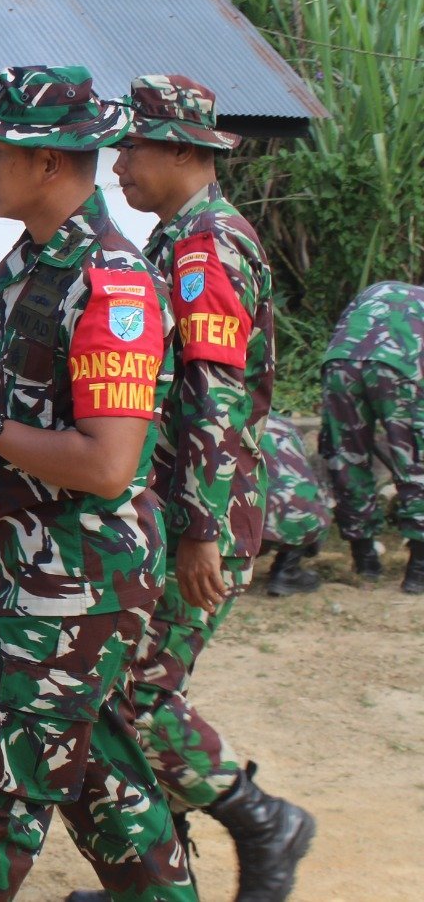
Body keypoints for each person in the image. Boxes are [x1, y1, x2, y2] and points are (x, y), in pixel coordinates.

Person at [0, 66, 195, 901]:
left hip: (78, 583)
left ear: (49, 163)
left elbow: (110, 465)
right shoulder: (28, 267)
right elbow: (16, 400)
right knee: (106, 794)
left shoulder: (111, 285)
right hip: (36, 572)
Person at [99, 74, 313, 900]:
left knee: (137, 699)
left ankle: (264, 821)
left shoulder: (205, 247)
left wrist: (200, 530)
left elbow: (215, 397)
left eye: (134, 147)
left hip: (198, 517)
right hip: (173, 511)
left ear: (184, 150)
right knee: (138, 691)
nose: (119, 165)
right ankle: (160, 880)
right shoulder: (173, 241)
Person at [320, 281, 424, 592]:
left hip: (339, 363)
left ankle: (365, 560)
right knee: (416, 461)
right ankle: (419, 571)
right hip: (400, 367)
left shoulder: (378, 290)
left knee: (347, 456)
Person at [260, 413, 330, 596]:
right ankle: (286, 571)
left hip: (229, 527)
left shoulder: (211, 417)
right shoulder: (284, 425)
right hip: (297, 518)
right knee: (312, 496)